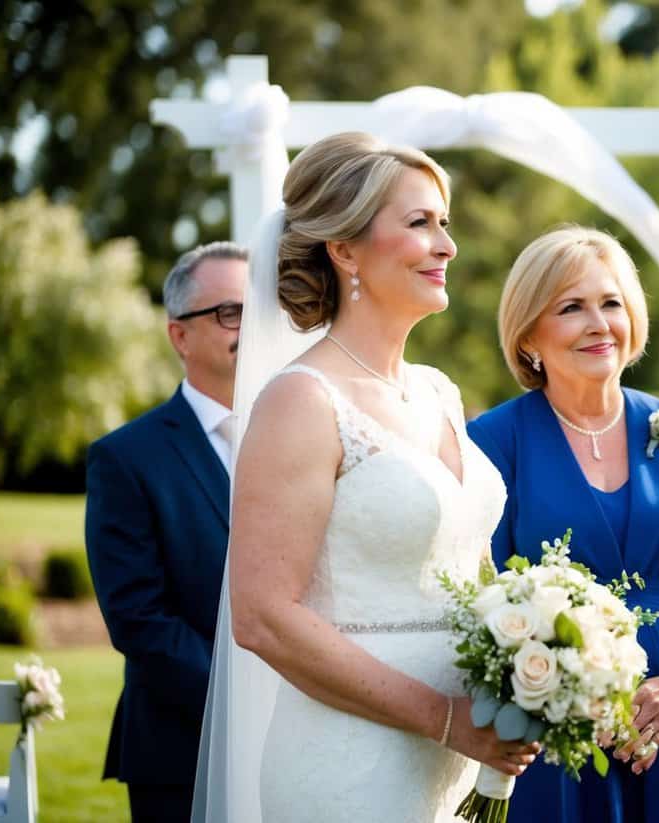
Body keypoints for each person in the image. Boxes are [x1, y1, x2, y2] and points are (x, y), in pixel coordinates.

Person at [191, 133, 538, 823]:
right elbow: (262, 617)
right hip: (349, 765)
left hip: (455, 761)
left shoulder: (439, 391)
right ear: (345, 249)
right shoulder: (302, 400)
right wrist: (443, 718)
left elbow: (468, 567)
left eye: (445, 223)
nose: (447, 246)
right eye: (420, 223)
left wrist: (540, 648)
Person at [468, 226, 659, 822]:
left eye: (610, 303)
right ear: (529, 334)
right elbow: (473, 594)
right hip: (556, 735)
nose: (599, 324)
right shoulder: (492, 441)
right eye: (571, 307)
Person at [84, 242, 247, 823]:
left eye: (259, 311)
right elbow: (138, 618)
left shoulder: (301, 435)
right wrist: (243, 701)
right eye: (230, 312)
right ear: (180, 335)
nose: (250, 327)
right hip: (181, 745)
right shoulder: (126, 458)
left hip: (298, 741)